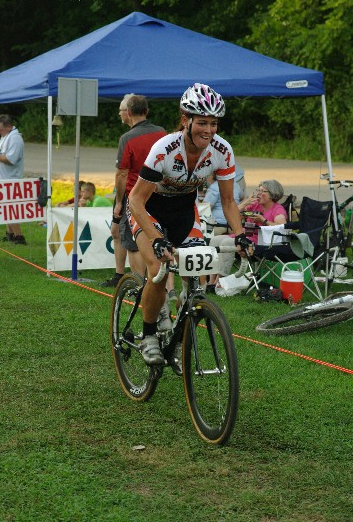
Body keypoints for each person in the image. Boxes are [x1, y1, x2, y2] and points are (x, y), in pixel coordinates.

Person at [128, 83, 253, 365]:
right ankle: (148, 334)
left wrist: (240, 235)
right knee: (159, 268)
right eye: (202, 123)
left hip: (184, 210)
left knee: (194, 275)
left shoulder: (222, 151)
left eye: (214, 123)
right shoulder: (164, 149)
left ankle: (181, 332)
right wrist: (157, 238)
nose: (208, 130)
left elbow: (229, 202)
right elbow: (136, 200)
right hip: (149, 209)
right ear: (186, 120)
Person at [102, 94, 166, 284]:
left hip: (134, 196)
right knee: (155, 236)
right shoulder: (162, 133)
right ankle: (153, 279)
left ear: (128, 113)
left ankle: (141, 285)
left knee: (133, 243)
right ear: (146, 111)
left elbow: (121, 174)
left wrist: (120, 202)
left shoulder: (127, 138)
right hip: (157, 193)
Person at [207, 179, 288, 290]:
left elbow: (281, 228)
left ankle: (220, 281)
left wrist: (263, 220)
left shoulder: (278, 210)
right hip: (245, 237)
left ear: (272, 195)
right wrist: (245, 203)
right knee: (215, 240)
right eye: (258, 190)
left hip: (261, 242)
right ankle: (211, 281)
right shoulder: (255, 205)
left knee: (227, 242)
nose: (258, 194)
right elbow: (233, 212)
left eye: (262, 191)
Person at [0, 114, 26, 244]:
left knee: (10, 209)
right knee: (4, 208)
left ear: (9, 126)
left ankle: (19, 237)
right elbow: (1, 155)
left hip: (9, 179)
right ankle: (10, 234)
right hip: (1, 179)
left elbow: (10, 159)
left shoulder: (15, 138)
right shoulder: (6, 136)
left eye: (1, 129)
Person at [204, 171, 243, 235]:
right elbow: (241, 197)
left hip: (218, 224)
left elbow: (206, 207)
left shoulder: (214, 187)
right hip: (233, 224)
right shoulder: (235, 185)